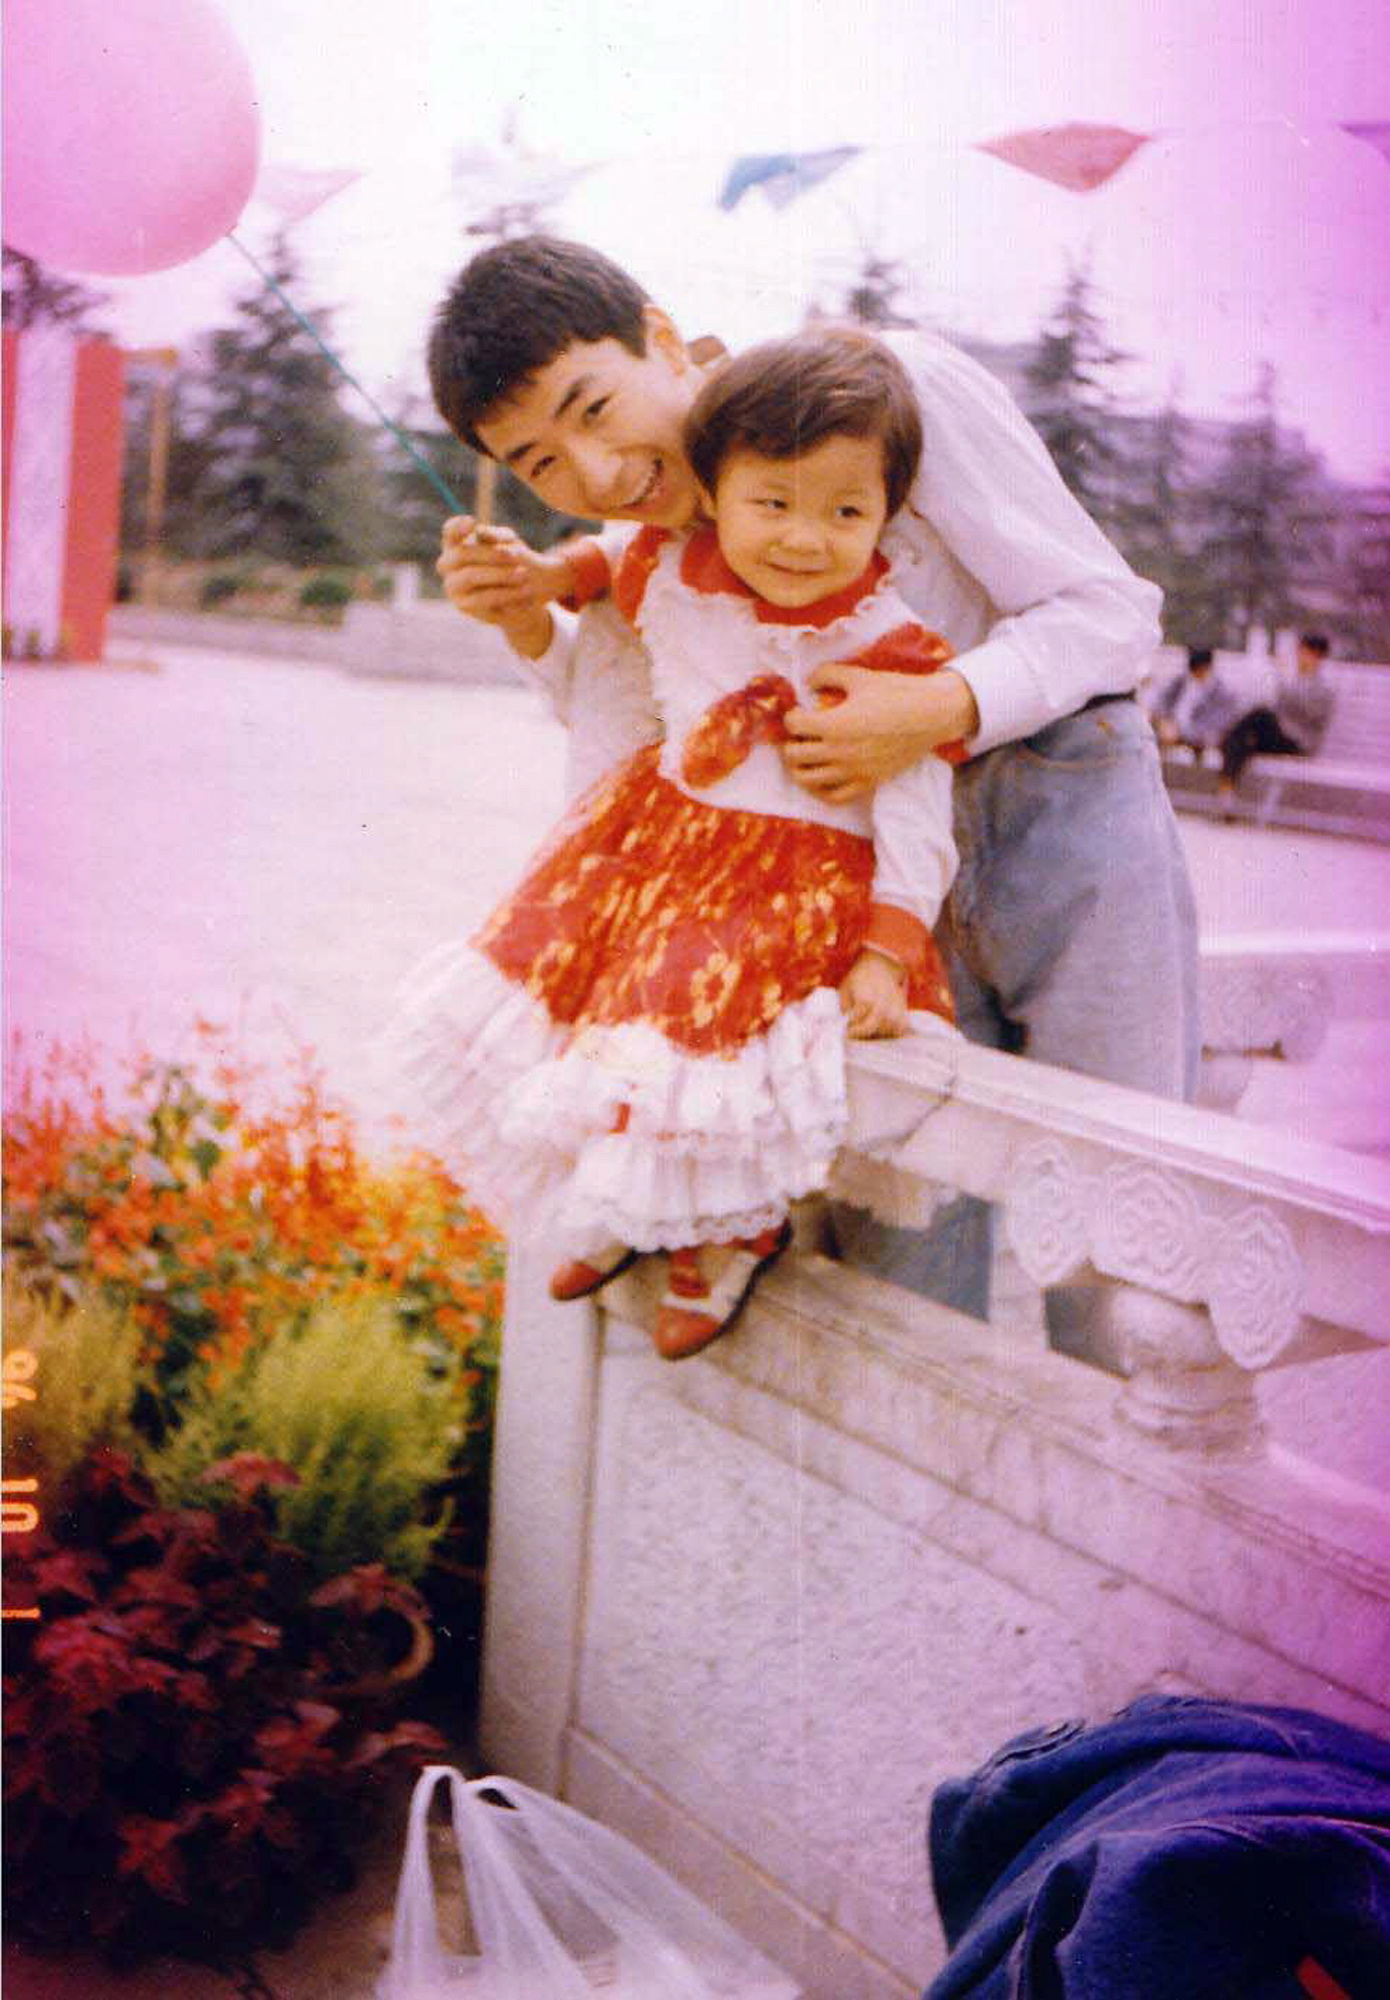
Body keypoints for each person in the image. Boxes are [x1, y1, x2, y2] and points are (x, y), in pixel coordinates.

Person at [429, 236, 1200, 1318]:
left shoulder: (884, 389)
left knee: (1120, 1238)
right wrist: (527, 621)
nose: (594, 473)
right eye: (540, 464)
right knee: (900, 1257)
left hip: (1058, 805)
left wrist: (940, 706)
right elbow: (624, 751)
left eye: (594, 409)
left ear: (660, 338)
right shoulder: (639, 539)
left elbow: (1109, 611)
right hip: (868, 888)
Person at [395, 330, 960, 1361]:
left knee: (707, 1041)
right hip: (668, 855)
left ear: (888, 510)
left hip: (793, 892)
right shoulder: (676, 570)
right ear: (717, 490)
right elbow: (609, 561)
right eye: (772, 504)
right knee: (606, 1003)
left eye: (845, 512)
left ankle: (733, 1232)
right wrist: (541, 576)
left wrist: (888, 950)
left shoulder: (892, 646)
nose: (803, 540)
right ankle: (625, 1202)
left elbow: (920, 815)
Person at [1220, 632, 1336, 790]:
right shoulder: (1296, 680)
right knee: (1241, 741)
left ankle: (1224, 740)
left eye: (1303, 652)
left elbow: (1309, 712)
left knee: (1259, 715)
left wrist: (1282, 679)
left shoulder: (1324, 688)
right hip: (1280, 739)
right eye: (1299, 651)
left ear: (1316, 656)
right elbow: (1279, 709)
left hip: (1298, 744)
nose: (1299, 657)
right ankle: (1227, 791)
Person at [1151, 645, 1239, 762]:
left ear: (1208, 667)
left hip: (1197, 748)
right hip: (1168, 738)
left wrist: (1180, 734)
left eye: (1200, 671)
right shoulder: (1180, 682)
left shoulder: (1223, 695)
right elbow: (1160, 703)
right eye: (1193, 672)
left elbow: (1213, 731)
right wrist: (1163, 722)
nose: (1196, 675)